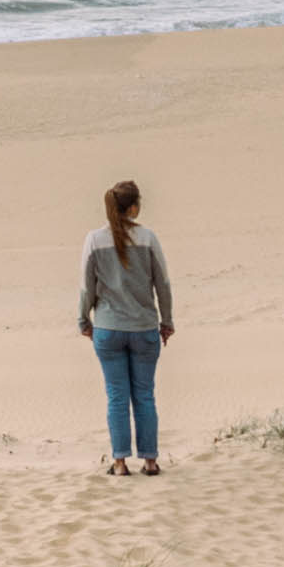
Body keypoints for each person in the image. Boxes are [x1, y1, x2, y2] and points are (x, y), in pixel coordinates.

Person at [76, 178, 174, 475]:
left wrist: (84, 320)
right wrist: (166, 321)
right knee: (144, 394)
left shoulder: (94, 239)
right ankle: (150, 461)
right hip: (143, 328)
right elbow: (163, 284)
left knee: (117, 395)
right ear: (133, 207)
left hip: (108, 329)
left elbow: (86, 286)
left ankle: (119, 463)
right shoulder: (148, 238)